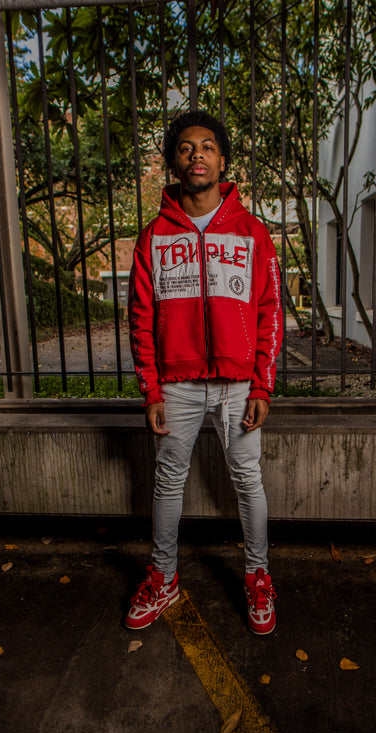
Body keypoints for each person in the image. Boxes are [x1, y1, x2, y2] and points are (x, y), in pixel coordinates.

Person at [125, 110, 282, 635]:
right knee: (168, 479)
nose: (197, 155)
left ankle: (258, 577)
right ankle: (164, 578)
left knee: (248, 480)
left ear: (222, 161)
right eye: (187, 147)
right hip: (177, 385)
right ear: (175, 162)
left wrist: (262, 385)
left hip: (240, 385)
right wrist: (151, 390)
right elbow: (140, 317)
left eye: (208, 146)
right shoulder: (153, 236)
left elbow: (270, 311)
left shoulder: (252, 232)